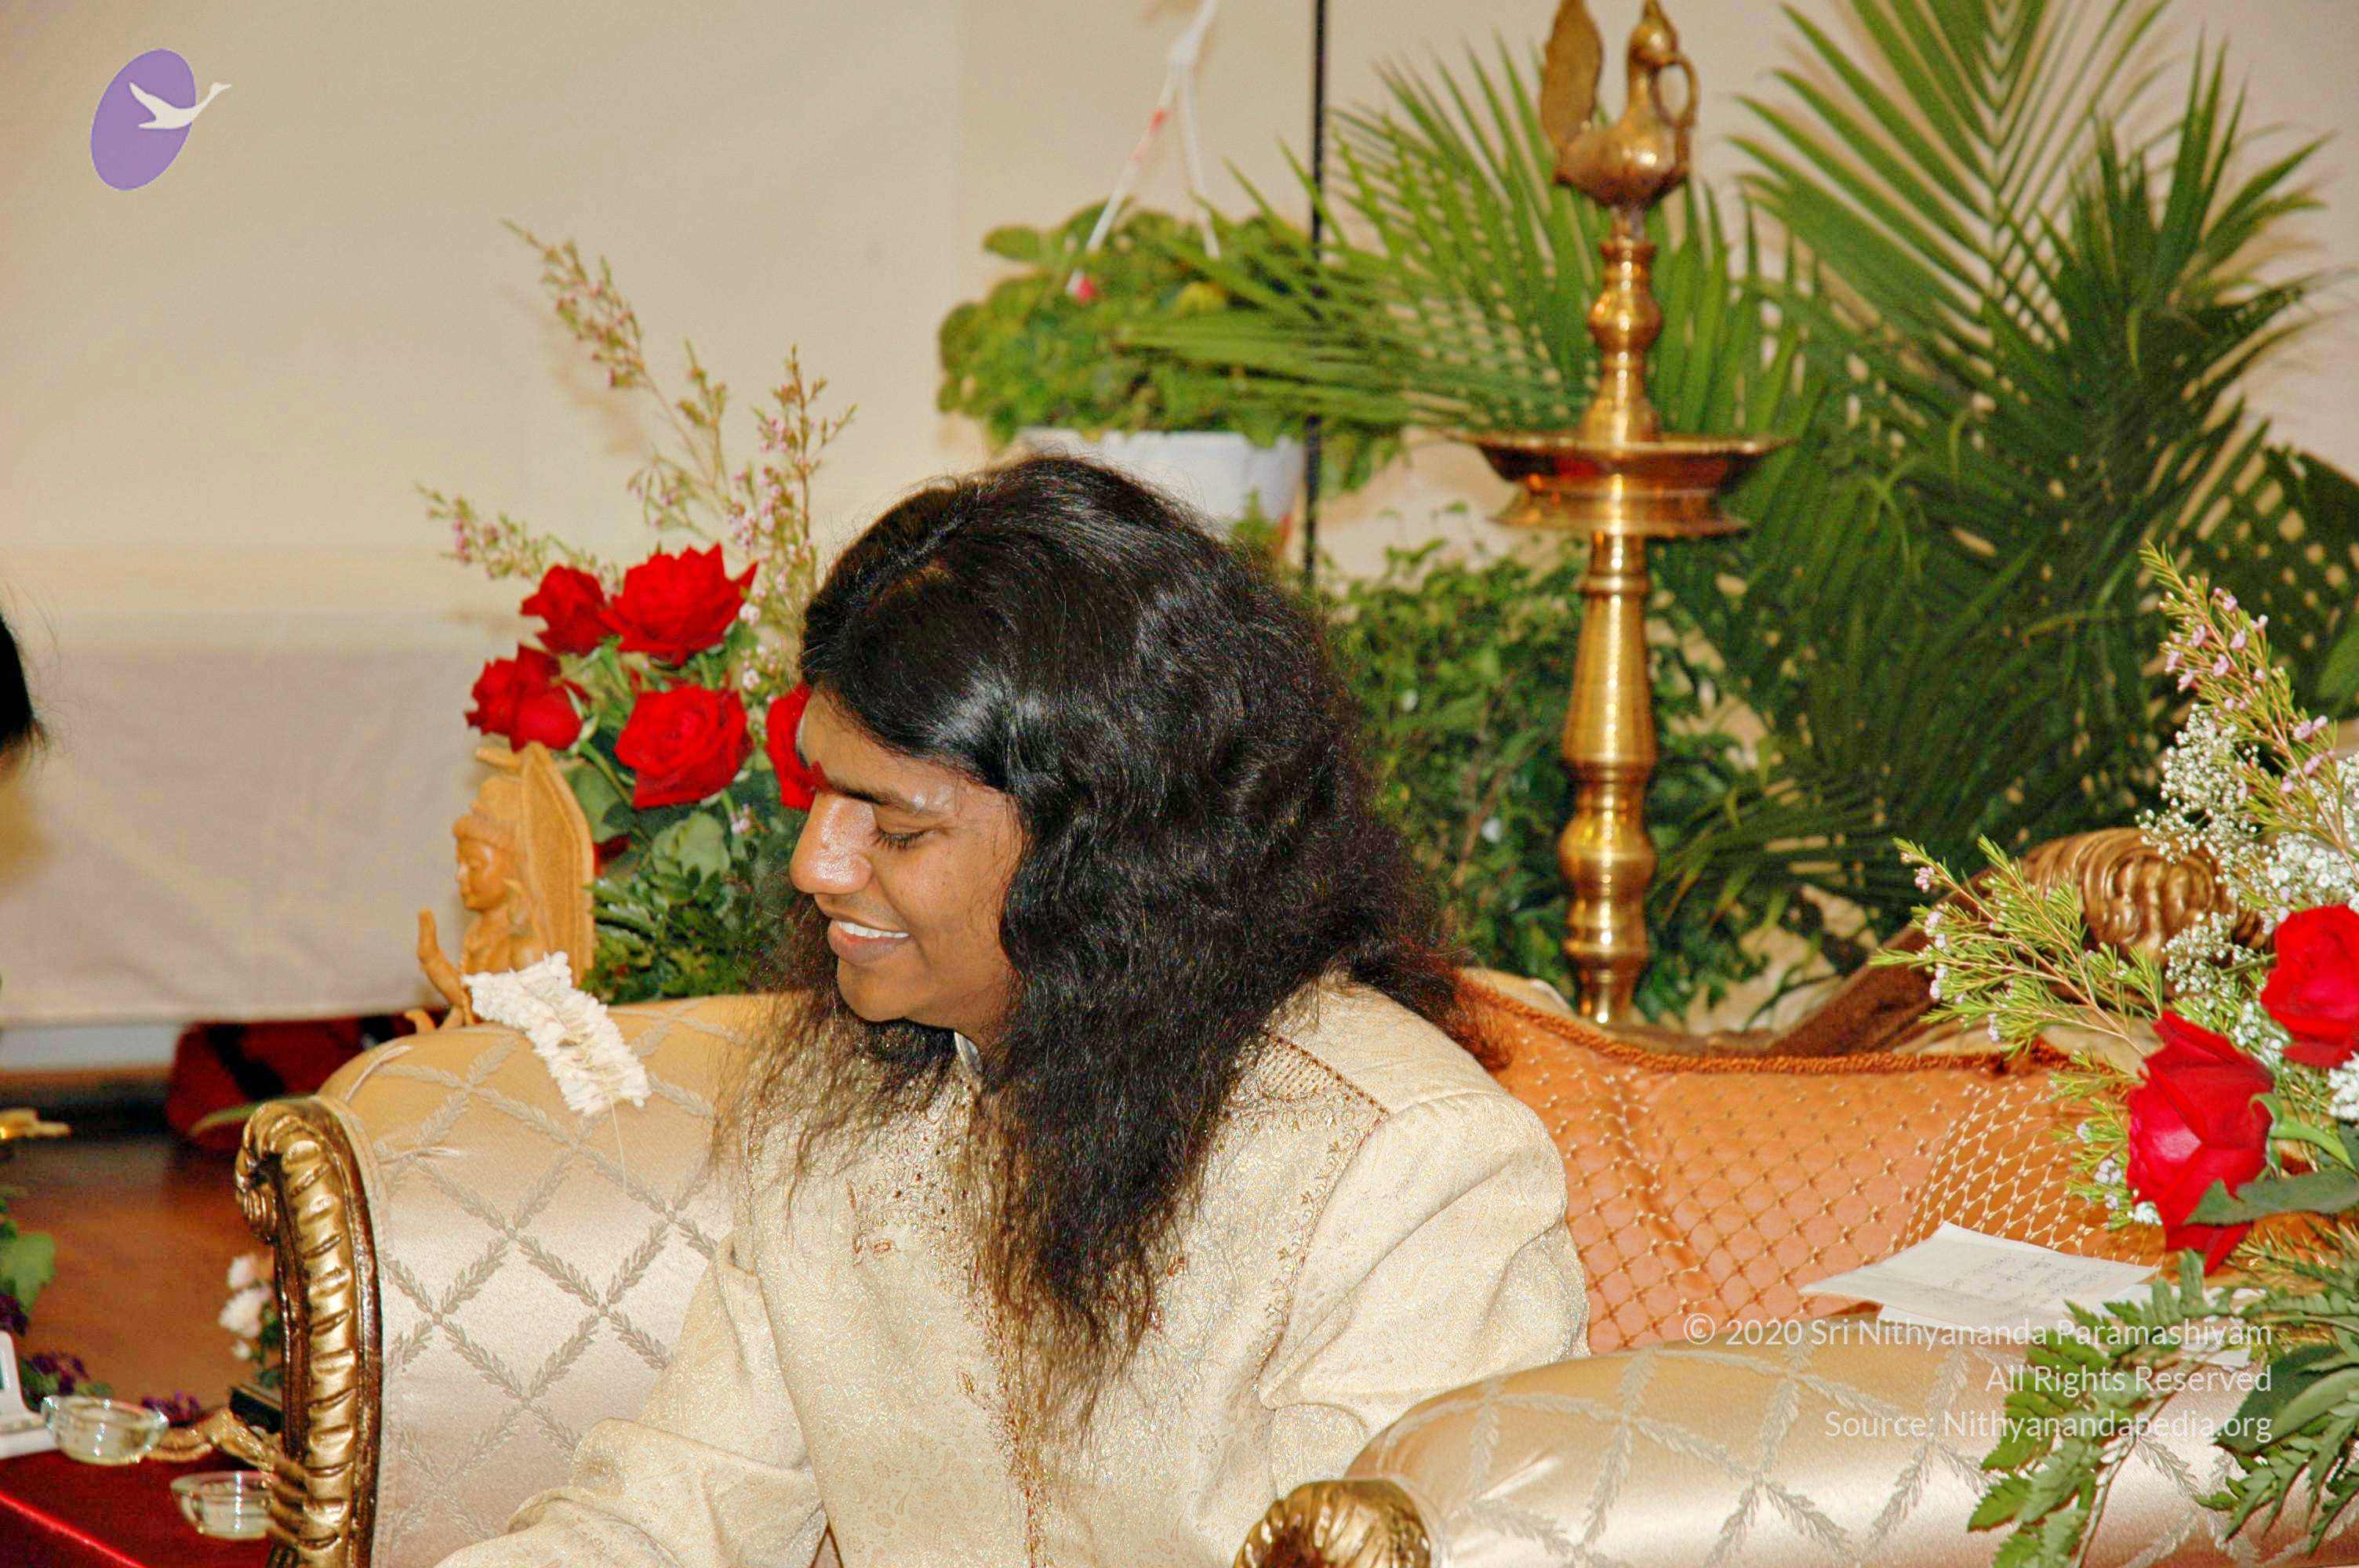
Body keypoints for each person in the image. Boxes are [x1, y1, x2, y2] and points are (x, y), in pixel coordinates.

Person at [436, 456, 1587, 1568]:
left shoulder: (1401, 1169)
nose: (814, 866)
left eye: (896, 829)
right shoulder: (842, 1120)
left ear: (1109, 850)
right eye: (818, 791)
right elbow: (668, 1520)